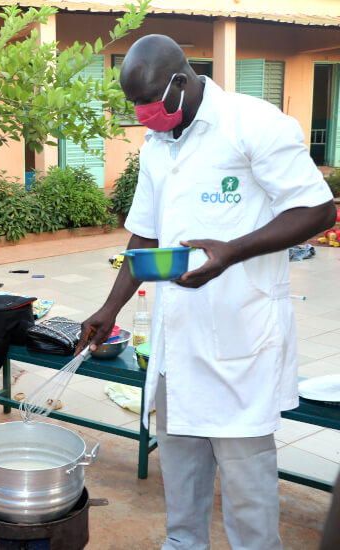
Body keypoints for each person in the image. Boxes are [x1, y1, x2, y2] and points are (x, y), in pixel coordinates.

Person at [76, 35, 336, 550]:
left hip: (242, 339)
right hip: (178, 342)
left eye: (152, 106)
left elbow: (319, 210)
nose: (145, 118)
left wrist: (233, 251)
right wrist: (110, 308)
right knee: (181, 475)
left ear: (181, 81)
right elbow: (145, 235)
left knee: (246, 493)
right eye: (137, 110)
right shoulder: (157, 147)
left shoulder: (253, 124)